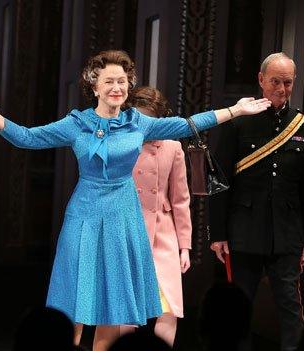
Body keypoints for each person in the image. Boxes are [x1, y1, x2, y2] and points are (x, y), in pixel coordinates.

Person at [0, 50, 270, 351]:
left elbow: (188, 124)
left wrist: (235, 110)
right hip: (85, 214)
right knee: (75, 295)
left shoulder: (137, 123)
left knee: (113, 301)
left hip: (123, 216)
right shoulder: (77, 124)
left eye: (122, 81)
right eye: (109, 81)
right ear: (94, 86)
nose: (117, 87)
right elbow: (27, 137)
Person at [208, 52, 304, 351]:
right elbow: (218, 181)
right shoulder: (238, 123)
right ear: (260, 80)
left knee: (291, 310)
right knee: (238, 311)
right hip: (243, 231)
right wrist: (217, 233)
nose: (281, 89)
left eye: (287, 83)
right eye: (275, 82)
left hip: (287, 234)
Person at [127, 86, 191, 346]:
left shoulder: (172, 146)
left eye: (150, 119)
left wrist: (184, 247)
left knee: (169, 306)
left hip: (163, 235)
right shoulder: (122, 143)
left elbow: (180, 200)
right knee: (127, 309)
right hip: (128, 230)